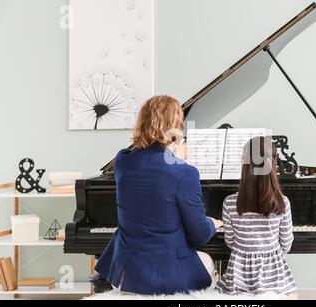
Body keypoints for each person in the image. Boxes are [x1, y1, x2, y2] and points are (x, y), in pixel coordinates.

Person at [95, 95, 223, 295]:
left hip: (124, 274)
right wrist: (212, 224)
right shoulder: (185, 173)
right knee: (210, 264)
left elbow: (154, 168)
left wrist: (172, 156)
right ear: (176, 127)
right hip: (167, 275)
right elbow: (199, 235)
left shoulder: (123, 162)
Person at [217, 136, 297, 297]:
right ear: (273, 163)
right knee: (292, 292)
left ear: (244, 164)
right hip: (274, 276)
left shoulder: (230, 202)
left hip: (238, 278)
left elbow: (230, 242)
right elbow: (286, 244)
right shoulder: (282, 203)